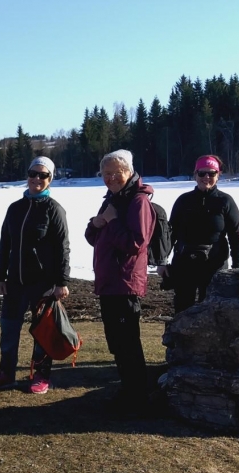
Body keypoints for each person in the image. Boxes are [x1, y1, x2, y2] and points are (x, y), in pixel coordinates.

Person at [0, 156, 70, 394]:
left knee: (43, 332)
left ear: (50, 179)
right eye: (33, 174)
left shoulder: (54, 210)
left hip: (42, 283)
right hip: (15, 282)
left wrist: (62, 282)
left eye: (42, 175)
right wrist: (0, 276)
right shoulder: (15, 208)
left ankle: (41, 376)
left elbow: (63, 247)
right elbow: (5, 244)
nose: (36, 179)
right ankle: (6, 374)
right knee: (8, 329)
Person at [84, 149, 155, 411]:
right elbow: (92, 238)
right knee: (117, 342)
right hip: (108, 283)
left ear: (130, 172)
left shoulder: (138, 202)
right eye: (106, 174)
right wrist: (97, 223)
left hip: (125, 284)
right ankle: (128, 392)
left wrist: (111, 222)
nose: (112, 178)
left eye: (117, 173)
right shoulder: (112, 199)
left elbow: (136, 243)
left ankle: (137, 399)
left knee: (128, 343)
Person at [159, 155, 239, 313]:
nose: (206, 177)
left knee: (213, 312)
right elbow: (171, 233)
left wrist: (237, 267)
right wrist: (162, 260)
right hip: (184, 263)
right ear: (195, 175)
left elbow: (235, 235)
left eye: (211, 173)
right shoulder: (183, 201)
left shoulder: (225, 201)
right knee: (183, 311)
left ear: (218, 175)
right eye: (202, 173)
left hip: (214, 265)